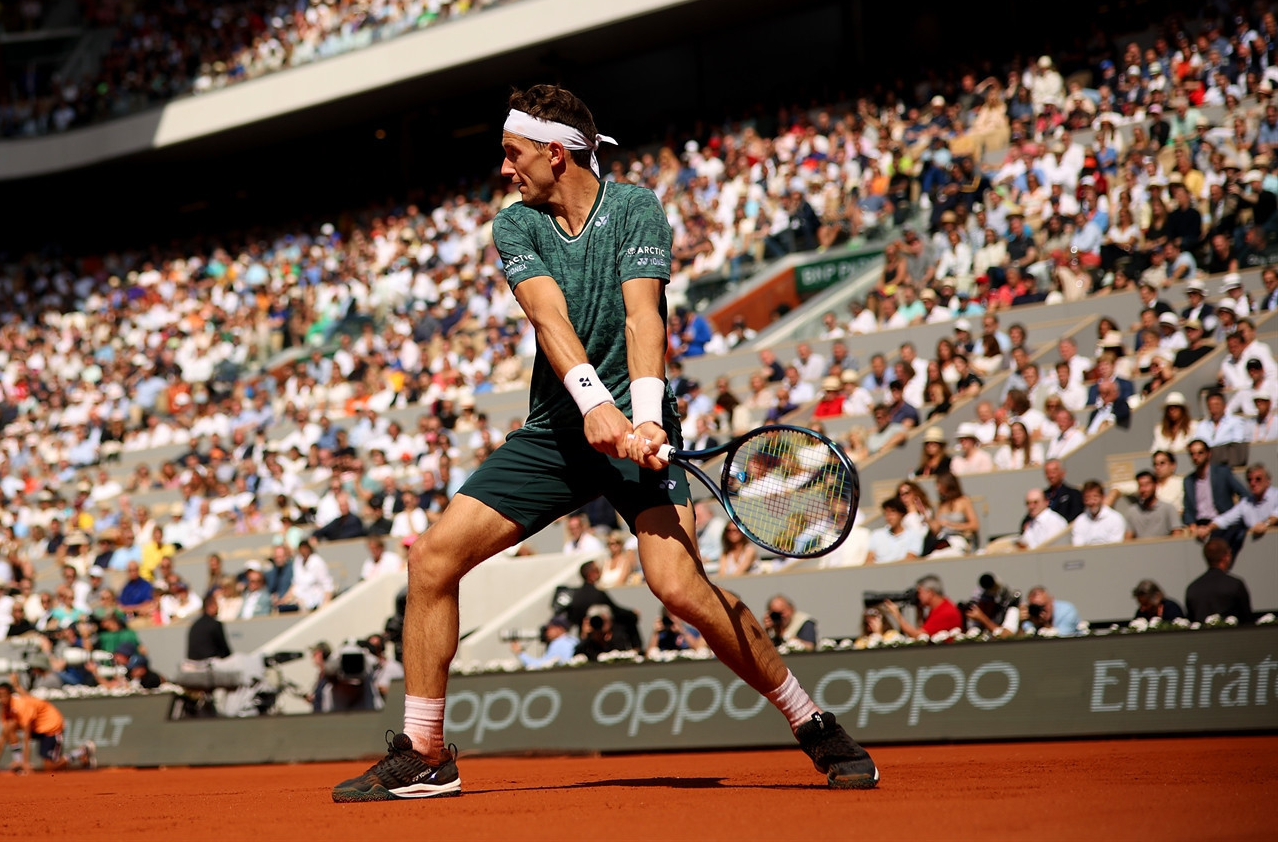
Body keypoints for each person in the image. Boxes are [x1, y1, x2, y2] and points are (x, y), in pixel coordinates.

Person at [332, 87, 876, 803]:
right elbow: (547, 317)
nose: (505, 169)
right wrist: (594, 404)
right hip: (559, 431)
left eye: (513, 154)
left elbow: (641, 316)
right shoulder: (515, 224)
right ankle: (427, 754)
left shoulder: (635, 208)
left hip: (640, 426)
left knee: (678, 588)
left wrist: (642, 417)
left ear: (555, 154)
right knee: (432, 558)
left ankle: (813, 723)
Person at [0, 680, 88, 773]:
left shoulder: (20, 706)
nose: (2, 699)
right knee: (9, 727)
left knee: (49, 767)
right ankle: (18, 760)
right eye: (0, 696)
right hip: (37, 727)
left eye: (4, 695)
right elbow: (3, 737)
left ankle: (81, 752)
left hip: (51, 726)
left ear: (10, 695)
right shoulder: (4, 709)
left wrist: (26, 764)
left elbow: (27, 737)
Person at [1183, 440, 1250, 537]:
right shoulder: (1188, 481)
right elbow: (1188, 509)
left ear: (1208, 454)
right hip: (1199, 525)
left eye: (1200, 453)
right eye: (1192, 454)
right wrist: (1192, 526)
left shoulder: (1222, 473)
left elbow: (1244, 494)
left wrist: (1234, 515)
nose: (1196, 457)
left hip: (1222, 522)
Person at [1185, 538, 1254, 621]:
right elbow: (1247, 619)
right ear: (1226, 557)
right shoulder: (1235, 585)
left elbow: (1191, 621)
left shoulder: (1192, 588)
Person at [883, 575, 961, 639]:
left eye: (920, 592)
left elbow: (919, 636)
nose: (918, 596)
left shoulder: (945, 612)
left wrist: (897, 615)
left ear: (930, 593)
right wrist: (919, 612)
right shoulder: (937, 608)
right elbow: (924, 630)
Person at [1112, 470, 1182, 539]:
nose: (1143, 489)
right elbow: (1128, 538)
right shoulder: (1132, 512)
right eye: (1140, 486)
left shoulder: (1168, 508)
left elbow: (1177, 535)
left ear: (1155, 485)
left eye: (1146, 485)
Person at [1069, 480, 1129, 546]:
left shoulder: (1115, 518)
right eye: (1087, 498)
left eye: (1095, 497)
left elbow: (1115, 546)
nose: (1092, 502)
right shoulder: (1080, 521)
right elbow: (1078, 546)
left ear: (1103, 497)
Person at [185, 590, 232, 661]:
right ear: (211, 606)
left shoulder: (194, 625)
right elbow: (224, 650)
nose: (218, 607)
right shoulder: (215, 624)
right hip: (210, 663)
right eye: (216, 604)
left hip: (193, 663)